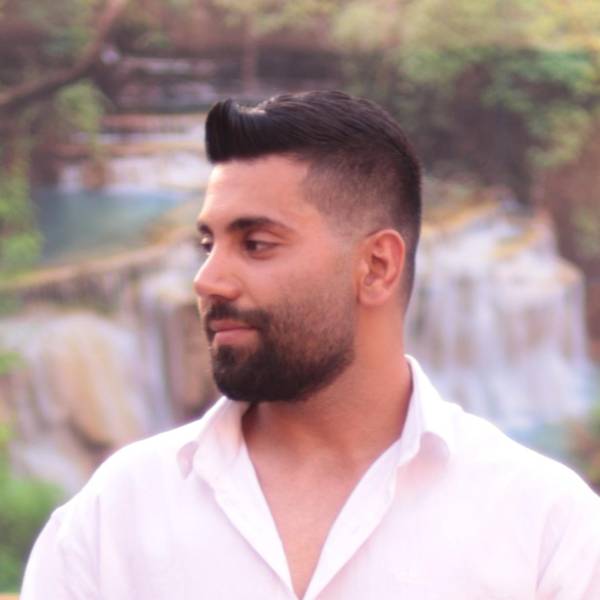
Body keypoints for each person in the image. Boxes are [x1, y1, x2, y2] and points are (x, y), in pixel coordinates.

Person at [21, 90, 600, 600]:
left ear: (376, 266)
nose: (206, 280)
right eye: (207, 245)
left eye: (256, 244)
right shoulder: (113, 519)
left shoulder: (546, 527)